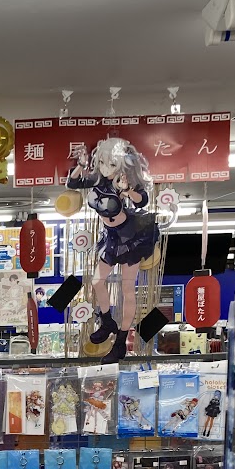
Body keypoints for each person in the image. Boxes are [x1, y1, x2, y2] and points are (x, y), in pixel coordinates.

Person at [67, 138, 159, 363]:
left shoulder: (125, 182)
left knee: (127, 288)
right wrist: (81, 165)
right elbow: (72, 183)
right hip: (110, 237)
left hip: (130, 238)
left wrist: (127, 190)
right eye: (102, 162)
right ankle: (107, 321)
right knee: (97, 281)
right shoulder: (98, 180)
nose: (106, 168)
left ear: (122, 163)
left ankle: (120, 341)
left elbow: (142, 200)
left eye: (111, 164)